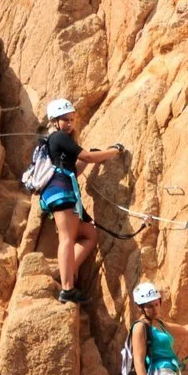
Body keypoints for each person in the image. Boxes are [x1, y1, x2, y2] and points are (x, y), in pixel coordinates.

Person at [34, 98, 125, 304]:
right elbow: (88, 157)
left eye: (72, 119)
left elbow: (75, 168)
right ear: (54, 121)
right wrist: (114, 151)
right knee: (67, 237)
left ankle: (67, 270)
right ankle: (67, 288)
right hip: (61, 191)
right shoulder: (59, 137)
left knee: (88, 234)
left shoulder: (56, 141)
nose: (69, 123)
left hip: (62, 189)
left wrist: (88, 160)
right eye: (64, 119)